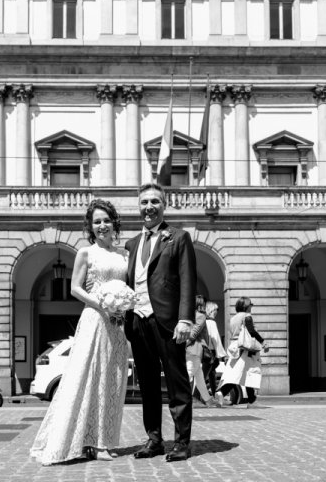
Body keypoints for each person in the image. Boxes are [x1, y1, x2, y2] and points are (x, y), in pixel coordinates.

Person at [30, 198, 129, 464]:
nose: (102, 225)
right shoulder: (86, 252)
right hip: (96, 319)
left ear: (114, 222)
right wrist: (104, 304)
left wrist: (121, 306)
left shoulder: (123, 255)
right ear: (90, 226)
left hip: (117, 324)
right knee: (90, 377)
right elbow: (75, 288)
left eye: (106, 220)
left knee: (112, 380)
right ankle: (91, 443)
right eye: (96, 221)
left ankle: (103, 439)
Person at [123, 183, 197, 462]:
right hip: (138, 322)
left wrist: (185, 319)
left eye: (155, 201)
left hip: (167, 322)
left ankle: (181, 442)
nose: (149, 207)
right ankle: (154, 439)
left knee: (177, 384)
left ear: (164, 205)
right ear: (138, 207)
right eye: (144, 202)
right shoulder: (131, 244)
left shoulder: (178, 237)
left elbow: (188, 280)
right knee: (148, 386)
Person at [219, 297, 267, 407]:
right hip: (246, 348)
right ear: (246, 306)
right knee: (250, 372)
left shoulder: (233, 319)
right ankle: (252, 401)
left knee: (236, 374)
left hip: (235, 347)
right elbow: (251, 331)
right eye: (251, 304)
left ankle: (221, 392)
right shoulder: (247, 316)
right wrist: (263, 342)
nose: (252, 306)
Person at [185, 295, 215, 407]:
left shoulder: (188, 316)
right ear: (201, 304)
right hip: (194, 349)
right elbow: (194, 333)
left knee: (199, 377)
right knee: (189, 374)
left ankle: (208, 401)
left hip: (190, 349)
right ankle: (179, 398)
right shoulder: (201, 316)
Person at [202, 300, 226, 404]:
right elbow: (216, 339)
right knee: (203, 376)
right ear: (211, 310)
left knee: (211, 374)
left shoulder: (203, 321)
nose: (217, 312)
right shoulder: (211, 322)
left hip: (203, 351)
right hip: (210, 352)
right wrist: (221, 355)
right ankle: (200, 397)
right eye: (216, 309)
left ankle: (214, 395)